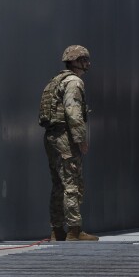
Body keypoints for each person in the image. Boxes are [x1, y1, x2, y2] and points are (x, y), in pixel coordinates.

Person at [38, 45, 97, 241]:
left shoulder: (56, 81)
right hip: (65, 137)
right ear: (76, 61)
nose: (88, 63)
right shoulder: (74, 82)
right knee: (72, 183)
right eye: (84, 59)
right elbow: (73, 112)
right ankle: (74, 230)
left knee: (58, 184)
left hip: (51, 137)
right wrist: (80, 139)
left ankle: (57, 230)